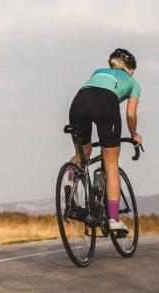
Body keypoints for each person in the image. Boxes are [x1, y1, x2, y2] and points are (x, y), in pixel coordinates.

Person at [68, 48, 143, 232]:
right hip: (105, 103)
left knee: (82, 153)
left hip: (79, 101)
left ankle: (71, 182)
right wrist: (134, 135)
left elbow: (94, 90)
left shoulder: (98, 72)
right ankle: (114, 220)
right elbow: (131, 114)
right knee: (111, 163)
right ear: (131, 69)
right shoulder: (133, 82)